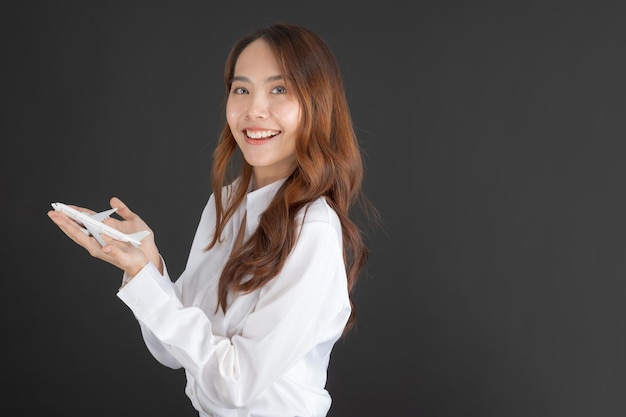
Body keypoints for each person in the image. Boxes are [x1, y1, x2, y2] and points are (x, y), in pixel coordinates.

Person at [48, 22, 378, 417]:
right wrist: (145, 264)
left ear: (317, 103)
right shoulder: (226, 203)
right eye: (241, 89)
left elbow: (234, 384)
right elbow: (174, 352)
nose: (254, 110)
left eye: (279, 89)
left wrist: (149, 283)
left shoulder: (313, 229)